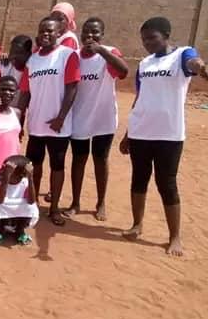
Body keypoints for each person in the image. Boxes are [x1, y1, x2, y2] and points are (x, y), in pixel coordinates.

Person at [120, 16, 207, 256]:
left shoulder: (182, 55)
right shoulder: (144, 63)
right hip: (140, 132)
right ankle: (137, 225)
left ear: (166, 35)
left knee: (166, 184)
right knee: (139, 179)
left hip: (169, 134)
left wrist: (202, 68)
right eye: (144, 39)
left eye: (152, 38)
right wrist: (128, 133)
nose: (147, 43)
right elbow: (140, 98)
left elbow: (194, 63)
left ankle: (174, 237)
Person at [18, 18, 80, 226]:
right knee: (34, 165)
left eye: (50, 31)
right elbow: (25, 93)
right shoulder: (32, 61)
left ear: (58, 33)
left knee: (57, 165)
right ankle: (33, 204)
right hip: (36, 124)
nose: (45, 34)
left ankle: (54, 209)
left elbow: (72, 88)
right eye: (42, 31)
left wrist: (61, 117)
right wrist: (19, 120)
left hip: (58, 126)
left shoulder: (67, 55)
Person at [65, 17, 128, 220]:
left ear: (102, 34)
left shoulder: (109, 53)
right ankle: (75, 202)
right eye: (86, 31)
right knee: (79, 159)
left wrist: (101, 51)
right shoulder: (75, 56)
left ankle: (101, 202)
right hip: (80, 116)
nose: (90, 35)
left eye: (95, 32)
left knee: (100, 159)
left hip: (103, 118)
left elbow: (123, 71)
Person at [0, 155, 39, 245]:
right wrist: (6, 179)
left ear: (21, 176)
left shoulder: (25, 182)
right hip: (2, 218)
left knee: (32, 206)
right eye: (2, 169)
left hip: (18, 217)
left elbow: (31, 201)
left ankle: (20, 231)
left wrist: (30, 178)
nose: (2, 173)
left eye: (8, 172)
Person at [0, 34, 32, 104]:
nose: (14, 56)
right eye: (12, 52)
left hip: (20, 108)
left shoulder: (32, 69)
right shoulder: (2, 65)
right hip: (1, 107)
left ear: (28, 54)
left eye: (19, 53)